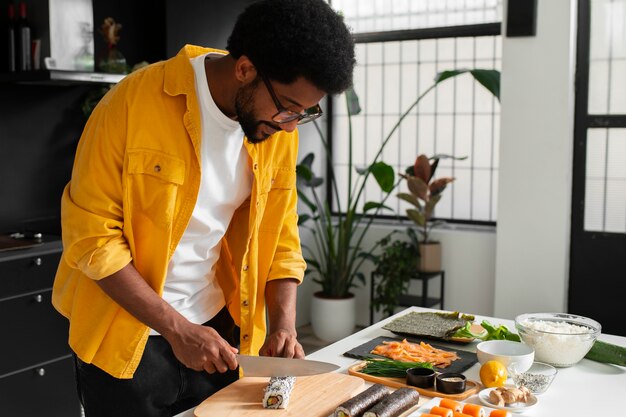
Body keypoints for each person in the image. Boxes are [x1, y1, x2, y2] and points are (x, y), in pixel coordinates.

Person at [51, 0, 355, 415]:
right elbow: (92, 239)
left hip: (220, 332)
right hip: (126, 336)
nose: (289, 125)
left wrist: (283, 322)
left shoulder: (275, 130)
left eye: (303, 113)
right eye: (287, 106)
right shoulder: (130, 104)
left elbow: (281, 230)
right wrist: (177, 329)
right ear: (245, 69)